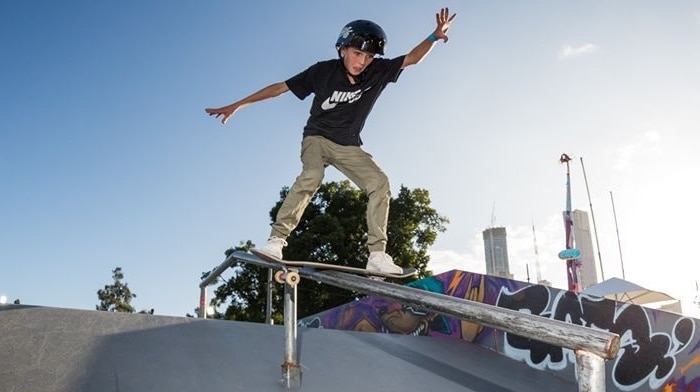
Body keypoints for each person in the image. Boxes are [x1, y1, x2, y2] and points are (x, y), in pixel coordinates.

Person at [206, 8, 456, 274]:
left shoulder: (378, 71)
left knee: (379, 183)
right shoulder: (322, 72)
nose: (362, 62)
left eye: (369, 56)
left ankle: (377, 256)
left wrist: (434, 36)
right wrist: (238, 105)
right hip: (316, 138)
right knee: (311, 175)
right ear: (342, 49)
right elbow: (279, 88)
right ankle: (276, 241)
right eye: (357, 54)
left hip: (347, 145)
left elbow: (412, 59)